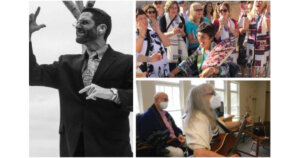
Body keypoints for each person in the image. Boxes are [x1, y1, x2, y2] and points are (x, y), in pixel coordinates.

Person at [29, 7, 133, 157]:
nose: (78, 26)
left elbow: (135, 96)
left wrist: (110, 93)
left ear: (101, 28)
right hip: (73, 149)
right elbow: (32, 76)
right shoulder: (65, 63)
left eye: (84, 22)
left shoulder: (126, 62)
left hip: (111, 148)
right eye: (77, 23)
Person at [183, 83, 252, 157]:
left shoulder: (208, 114)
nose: (216, 96)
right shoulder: (197, 118)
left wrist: (240, 122)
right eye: (212, 93)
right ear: (201, 98)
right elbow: (200, 153)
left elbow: (223, 125)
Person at [168, 23, 236, 78]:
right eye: (198, 36)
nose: (200, 39)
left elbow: (226, 69)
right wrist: (172, 73)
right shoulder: (200, 49)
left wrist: (213, 70)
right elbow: (188, 61)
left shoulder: (218, 49)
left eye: (203, 37)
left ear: (211, 38)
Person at [138, 92, 186, 157]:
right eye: (164, 99)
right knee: (178, 153)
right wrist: (174, 140)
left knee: (192, 143)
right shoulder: (147, 116)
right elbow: (151, 138)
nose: (167, 102)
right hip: (163, 145)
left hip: (175, 139)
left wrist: (179, 135)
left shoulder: (166, 114)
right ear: (156, 100)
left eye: (167, 100)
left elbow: (175, 127)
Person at [136, 8, 170, 77]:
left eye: (145, 18)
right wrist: (142, 33)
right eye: (140, 19)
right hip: (148, 74)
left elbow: (167, 44)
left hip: (163, 70)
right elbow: (137, 54)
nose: (144, 20)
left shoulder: (152, 32)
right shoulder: (135, 35)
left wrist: (158, 30)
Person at [243, 0, 270, 77]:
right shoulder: (250, 15)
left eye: (261, 1)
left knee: (261, 70)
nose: (258, 2)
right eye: (257, 1)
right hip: (252, 47)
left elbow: (269, 27)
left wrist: (267, 15)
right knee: (253, 69)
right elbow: (245, 28)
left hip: (262, 47)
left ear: (264, 4)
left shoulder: (266, 15)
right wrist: (245, 15)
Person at [160, 1, 188, 72]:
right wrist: (172, 33)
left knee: (180, 71)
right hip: (168, 49)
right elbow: (161, 36)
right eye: (172, 8)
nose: (174, 10)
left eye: (176, 8)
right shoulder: (163, 18)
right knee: (170, 70)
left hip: (180, 48)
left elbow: (184, 35)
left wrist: (181, 32)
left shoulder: (181, 18)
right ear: (168, 8)